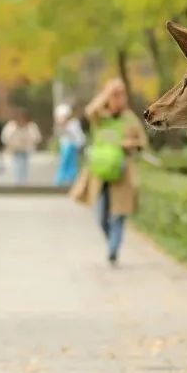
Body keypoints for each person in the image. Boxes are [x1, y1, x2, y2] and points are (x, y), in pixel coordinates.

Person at [70, 78, 148, 266]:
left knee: (119, 213)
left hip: (122, 172)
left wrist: (131, 145)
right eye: (115, 95)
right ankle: (112, 241)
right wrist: (107, 93)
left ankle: (113, 249)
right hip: (99, 171)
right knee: (101, 215)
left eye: (121, 95)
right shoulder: (100, 117)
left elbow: (142, 143)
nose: (118, 98)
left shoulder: (130, 118)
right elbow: (89, 111)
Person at [1, 108, 42, 185]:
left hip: (27, 150)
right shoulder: (11, 126)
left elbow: (37, 138)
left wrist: (28, 134)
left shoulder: (31, 126)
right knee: (16, 168)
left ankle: (24, 184)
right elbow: (5, 138)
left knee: (25, 168)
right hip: (15, 150)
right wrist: (14, 129)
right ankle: (17, 184)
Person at [53, 103, 86, 186]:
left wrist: (80, 145)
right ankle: (59, 182)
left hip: (73, 145)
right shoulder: (61, 126)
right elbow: (59, 135)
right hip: (65, 145)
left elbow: (77, 135)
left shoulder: (74, 123)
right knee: (64, 163)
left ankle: (70, 181)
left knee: (72, 164)